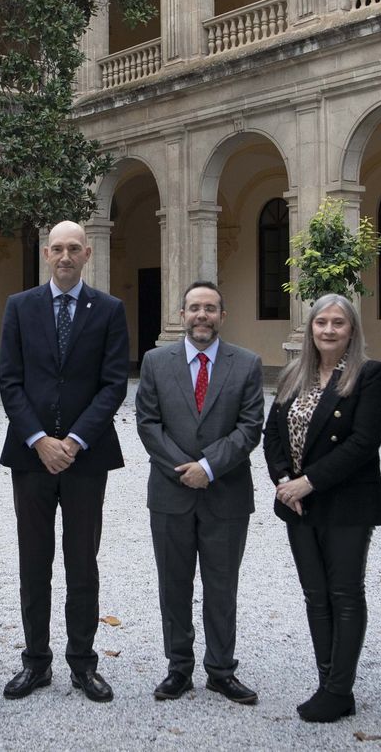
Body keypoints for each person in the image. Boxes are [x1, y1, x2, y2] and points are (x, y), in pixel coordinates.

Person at [0, 220, 130, 703]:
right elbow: (10, 380)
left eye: (75, 248)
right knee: (34, 562)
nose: (66, 256)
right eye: (58, 248)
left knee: (82, 562)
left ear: (87, 254)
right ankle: (36, 662)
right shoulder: (20, 306)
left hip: (85, 459)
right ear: (46, 253)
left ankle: (82, 663)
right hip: (31, 459)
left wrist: (72, 441)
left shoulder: (110, 310)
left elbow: (114, 383)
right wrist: (39, 440)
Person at [262, 293, 381, 724]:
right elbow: (272, 436)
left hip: (345, 502)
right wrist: (284, 482)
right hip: (298, 505)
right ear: (311, 328)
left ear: (352, 330)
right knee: (315, 596)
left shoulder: (370, 375)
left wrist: (307, 483)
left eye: (338, 323)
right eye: (322, 323)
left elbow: (363, 443)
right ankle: (327, 681)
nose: (329, 330)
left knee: (345, 594)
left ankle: (339, 690)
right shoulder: (293, 375)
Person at [134, 281, 264, 705]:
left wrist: (208, 467)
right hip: (171, 493)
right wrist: (183, 470)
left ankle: (222, 670)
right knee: (174, 584)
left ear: (222, 316)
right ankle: (179, 668)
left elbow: (249, 428)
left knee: (222, 585)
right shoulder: (155, 362)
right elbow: (148, 424)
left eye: (210, 308)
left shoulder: (246, 364)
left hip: (225, 493)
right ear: (182, 314)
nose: (202, 315)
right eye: (194, 308)